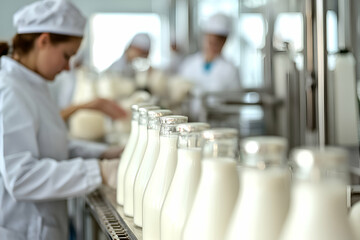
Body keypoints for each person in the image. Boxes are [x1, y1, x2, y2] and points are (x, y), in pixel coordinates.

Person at [0, 1, 122, 239]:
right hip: (23, 230)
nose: (67, 68)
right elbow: (20, 177)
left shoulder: (34, 84)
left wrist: (103, 154)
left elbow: (52, 146)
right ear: (43, 41)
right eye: (66, 56)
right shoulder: (9, 90)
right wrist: (99, 171)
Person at [177, 13, 241, 120]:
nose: (213, 45)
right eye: (210, 40)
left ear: (225, 41)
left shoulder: (230, 69)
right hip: (191, 123)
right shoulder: (189, 64)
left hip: (220, 125)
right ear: (204, 37)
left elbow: (235, 103)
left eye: (218, 41)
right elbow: (178, 94)